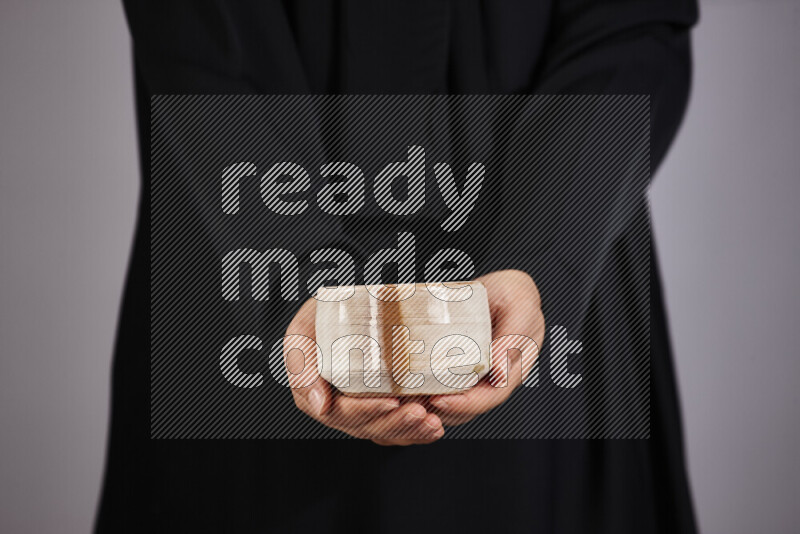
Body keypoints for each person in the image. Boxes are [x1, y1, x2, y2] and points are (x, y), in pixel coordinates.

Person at [96, 1, 699, 532]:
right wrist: (288, 264)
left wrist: (539, 256)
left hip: (556, 268)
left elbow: (632, 23)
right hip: (238, 255)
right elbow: (196, 25)